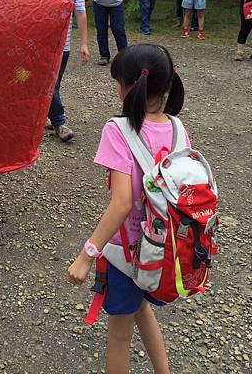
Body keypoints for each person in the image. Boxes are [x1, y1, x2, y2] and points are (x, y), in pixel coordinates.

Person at [67, 43, 186, 374]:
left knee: (118, 336)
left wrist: (87, 254)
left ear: (128, 87)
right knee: (141, 310)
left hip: (127, 252)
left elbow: (121, 202)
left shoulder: (117, 129)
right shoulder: (177, 128)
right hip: (164, 248)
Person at [45, 0, 89, 141]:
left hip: (63, 43)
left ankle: (43, 115)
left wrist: (84, 43)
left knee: (55, 83)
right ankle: (59, 123)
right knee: (49, 83)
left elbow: (80, 11)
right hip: (37, 42)